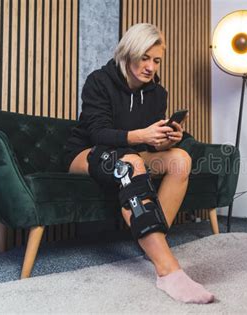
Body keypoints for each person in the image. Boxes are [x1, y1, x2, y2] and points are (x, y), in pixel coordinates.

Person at [63, 23, 214, 304]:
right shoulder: (99, 80)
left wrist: (168, 139)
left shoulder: (158, 93)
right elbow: (98, 133)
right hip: (86, 153)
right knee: (129, 164)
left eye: (156, 60)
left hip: (129, 152)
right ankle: (167, 269)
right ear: (128, 53)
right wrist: (141, 135)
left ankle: (153, 244)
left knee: (180, 159)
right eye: (145, 57)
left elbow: (148, 145)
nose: (150, 67)